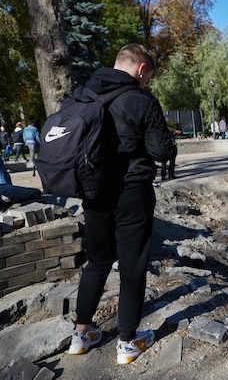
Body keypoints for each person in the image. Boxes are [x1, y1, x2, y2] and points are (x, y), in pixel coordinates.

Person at [69, 43, 175, 365]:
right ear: (142, 70)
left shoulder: (82, 95)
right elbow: (160, 151)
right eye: (148, 77)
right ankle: (127, 342)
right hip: (131, 193)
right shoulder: (142, 99)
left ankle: (81, 334)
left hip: (93, 193)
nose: (146, 83)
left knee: (97, 262)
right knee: (132, 266)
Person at [161, 116, 178, 180]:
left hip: (171, 144)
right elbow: (166, 128)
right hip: (166, 145)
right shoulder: (163, 126)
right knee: (164, 161)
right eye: (168, 119)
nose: (170, 120)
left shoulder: (171, 125)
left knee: (172, 160)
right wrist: (175, 130)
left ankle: (171, 175)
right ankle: (164, 176)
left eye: (170, 119)